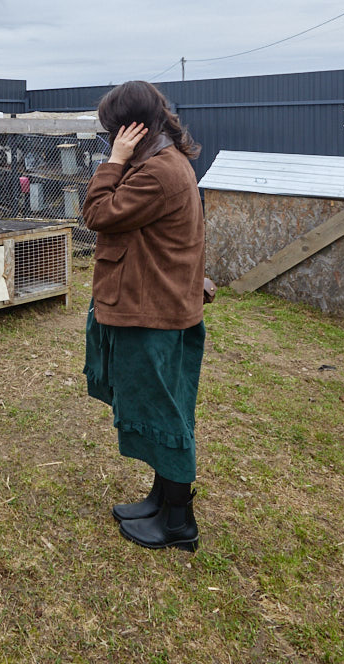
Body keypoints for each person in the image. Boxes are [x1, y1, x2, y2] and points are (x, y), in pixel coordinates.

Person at [81, 80, 207, 551]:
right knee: (155, 407)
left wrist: (114, 161)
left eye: (112, 131)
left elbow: (96, 213)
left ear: (131, 129)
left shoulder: (157, 173)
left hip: (155, 313)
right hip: (154, 304)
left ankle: (178, 522)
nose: (109, 140)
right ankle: (160, 499)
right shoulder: (163, 162)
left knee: (165, 414)